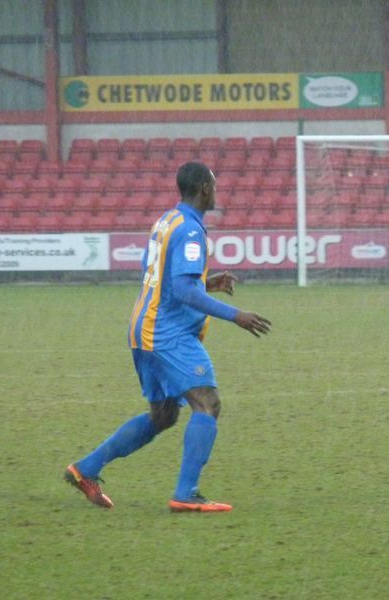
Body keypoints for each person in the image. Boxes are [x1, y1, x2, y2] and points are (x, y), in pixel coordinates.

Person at [65, 161, 272, 512]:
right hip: (167, 334)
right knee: (208, 402)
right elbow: (181, 290)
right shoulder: (191, 230)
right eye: (215, 185)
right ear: (205, 188)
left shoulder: (166, 221)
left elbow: (163, 277)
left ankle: (85, 469)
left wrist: (206, 283)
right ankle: (186, 493)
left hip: (145, 329)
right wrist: (236, 315)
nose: (217, 192)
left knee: (163, 416)